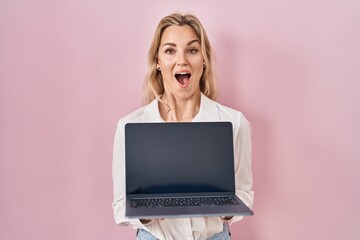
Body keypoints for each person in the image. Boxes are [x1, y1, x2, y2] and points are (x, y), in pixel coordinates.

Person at [112, 13, 254, 240]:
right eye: (170, 50)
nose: (182, 60)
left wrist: (226, 209)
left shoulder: (234, 123)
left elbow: (245, 194)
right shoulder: (130, 125)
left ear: (204, 59)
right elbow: (120, 206)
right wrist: (146, 212)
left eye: (192, 50)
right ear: (158, 62)